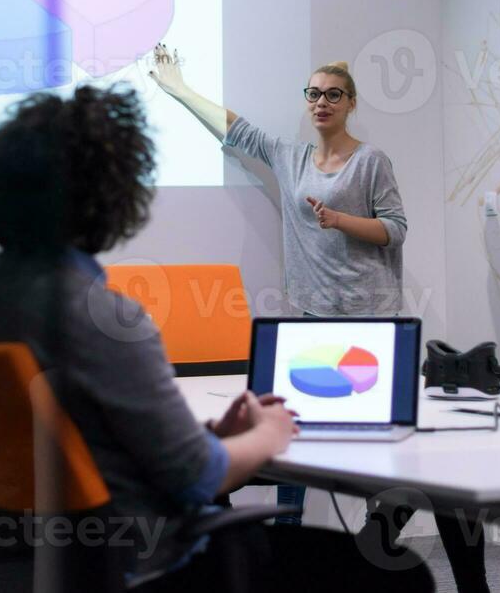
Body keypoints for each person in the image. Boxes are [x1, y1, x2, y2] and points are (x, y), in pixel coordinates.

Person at [0, 85, 434, 592]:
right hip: (153, 564)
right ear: (112, 197)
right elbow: (198, 480)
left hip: (52, 563)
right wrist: (267, 434)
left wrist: (213, 439)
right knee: (403, 575)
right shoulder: (103, 321)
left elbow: (102, 450)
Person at [149, 45, 407, 528]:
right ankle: (289, 533)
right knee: (298, 431)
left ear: (351, 103)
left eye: (333, 94)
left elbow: (395, 228)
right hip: (313, 317)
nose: (321, 102)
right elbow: (238, 130)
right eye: (313, 94)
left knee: (375, 439)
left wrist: (340, 220)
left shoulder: (371, 161)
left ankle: (380, 535)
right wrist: (178, 88)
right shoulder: (291, 158)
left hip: (370, 318)